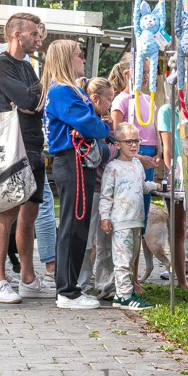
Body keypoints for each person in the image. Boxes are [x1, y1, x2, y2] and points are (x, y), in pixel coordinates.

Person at [0, 12, 53, 304]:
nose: (38, 39)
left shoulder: (27, 67)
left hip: (34, 145)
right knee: (8, 212)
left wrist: (33, 100)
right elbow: (29, 100)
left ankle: (28, 278)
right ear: (17, 34)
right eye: (34, 34)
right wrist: (30, 100)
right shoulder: (2, 64)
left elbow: (39, 102)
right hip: (13, 145)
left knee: (31, 212)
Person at [42, 40, 112, 310]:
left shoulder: (70, 90)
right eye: (78, 55)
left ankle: (70, 288)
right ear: (65, 59)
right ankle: (67, 291)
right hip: (72, 160)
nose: (83, 59)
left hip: (78, 160)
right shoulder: (62, 91)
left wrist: (96, 126)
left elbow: (89, 123)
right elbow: (88, 124)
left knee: (78, 224)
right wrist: (102, 128)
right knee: (73, 224)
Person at [109, 56, 162, 293]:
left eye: (149, 72)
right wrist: (138, 156)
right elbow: (116, 135)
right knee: (129, 218)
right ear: (129, 74)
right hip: (133, 160)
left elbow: (153, 130)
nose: (148, 77)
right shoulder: (121, 101)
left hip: (148, 158)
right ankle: (125, 275)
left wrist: (159, 150)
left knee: (141, 219)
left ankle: (135, 276)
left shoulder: (147, 100)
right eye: (144, 72)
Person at [99, 121, 161, 310]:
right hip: (121, 221)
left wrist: (157, 186)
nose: (134, 145)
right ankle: (124, 297)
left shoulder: (138, 165)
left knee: (132, 258)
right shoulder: (113, 167)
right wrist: (104, 216)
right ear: (117, 145)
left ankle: (125, 293)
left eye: (136, 141)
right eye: (128, 142)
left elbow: (142, 186)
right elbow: (106, 195)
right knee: (123, 260)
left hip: (136, 220)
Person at [77, 77, 118, 298]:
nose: (111, 104)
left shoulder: (104, 122)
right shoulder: (86, 120)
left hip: (106, 189)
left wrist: (110, 131)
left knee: (106, 239)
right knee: (86, 240)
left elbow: (114, 144)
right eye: (109, 99)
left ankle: (106, 284)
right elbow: (102, 153)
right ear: (95, 98)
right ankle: (81, 283)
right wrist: (113, 149)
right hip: (91, 188)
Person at [157, 57, 188, 291]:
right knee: (179, 228)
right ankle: (181, 279)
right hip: (178, 175)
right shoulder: (167, 111)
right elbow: (167, 148)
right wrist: (172, 173)